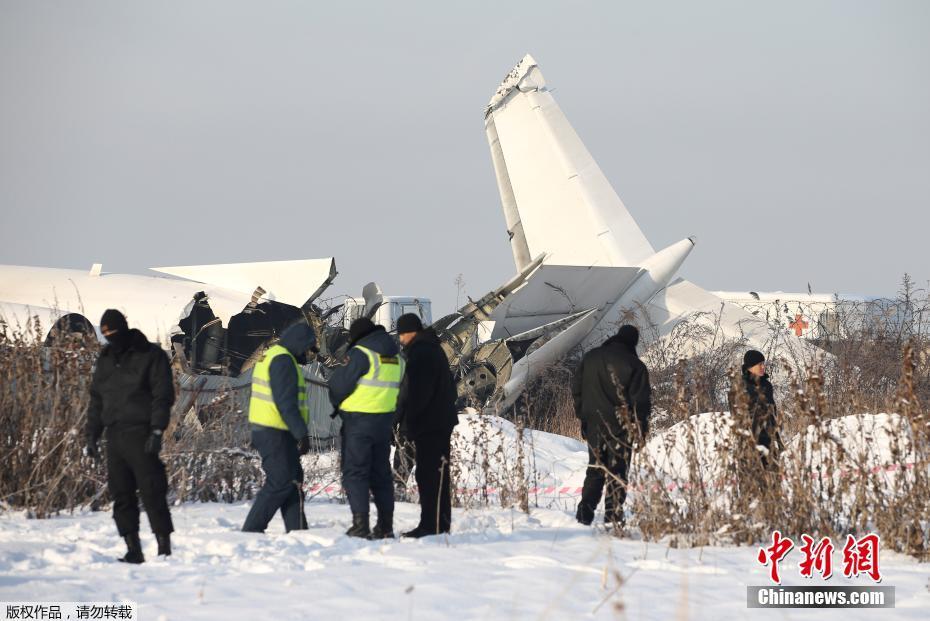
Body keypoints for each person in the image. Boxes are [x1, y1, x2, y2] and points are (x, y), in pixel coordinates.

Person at [85, 309, 175, 564]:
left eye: (113, 332)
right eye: (105, 334)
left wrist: (157, 430)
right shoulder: (105, 359)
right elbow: (96, 400)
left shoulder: (150, 355)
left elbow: (163, 395)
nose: (110, 337)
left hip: (142, 433)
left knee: (152, 490)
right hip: (114, 436)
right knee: (121, 494)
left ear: (124, 328)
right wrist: (91, 434)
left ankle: (163, 547)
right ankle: (132, 548)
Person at [328, 318, 404, 539]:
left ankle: (360, 525)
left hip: (358, 422)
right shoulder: (397, 358)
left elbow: (338, 385)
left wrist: (338, 402)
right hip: (384, 423)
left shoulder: (362, 353)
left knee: (356, 472)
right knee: (381, 474)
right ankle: (385, 526)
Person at [571, 324, 651, 528]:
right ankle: (613, 516)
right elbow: (640, 404)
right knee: (618, 472)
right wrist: (640, 431)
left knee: (595, 469)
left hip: (594, 424)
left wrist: (583, 417)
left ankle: (584, 515)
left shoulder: (591, 357)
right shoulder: (636, 365)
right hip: (621, 429)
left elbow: (577, 389)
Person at [242, 322, 317, 534]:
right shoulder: (283, 360)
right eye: (308, 348)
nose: (308, 354)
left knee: (293, 482)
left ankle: (298, 532)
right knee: (281, 482)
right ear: (299, 343)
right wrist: (301, 434)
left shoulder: (275, 356)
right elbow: (286, 403)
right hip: (275, 431)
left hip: (274, 430)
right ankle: (251, 531)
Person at [394, 313, 458, 538]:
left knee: (428, 476)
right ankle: (441, 523)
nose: (400, 339)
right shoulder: (434, 349)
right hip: (441, 421)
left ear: (410, 332)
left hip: (428, 425)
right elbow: (451, 388)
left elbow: (417, 394)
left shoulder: (420, 353)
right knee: (439, 475)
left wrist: (408, 424)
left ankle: (430, 526)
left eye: (402, 334)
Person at [731, 349, 781, 468]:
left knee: (773, 482)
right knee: (752, 481)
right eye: (760, 364)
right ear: (750, 366)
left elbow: (773, 414)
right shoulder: (740, 386)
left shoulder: (767, 386)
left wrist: (778, 440)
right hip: (750, 444)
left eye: (764, 364)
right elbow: (737, 417)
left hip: (769, 442)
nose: (763, 367)